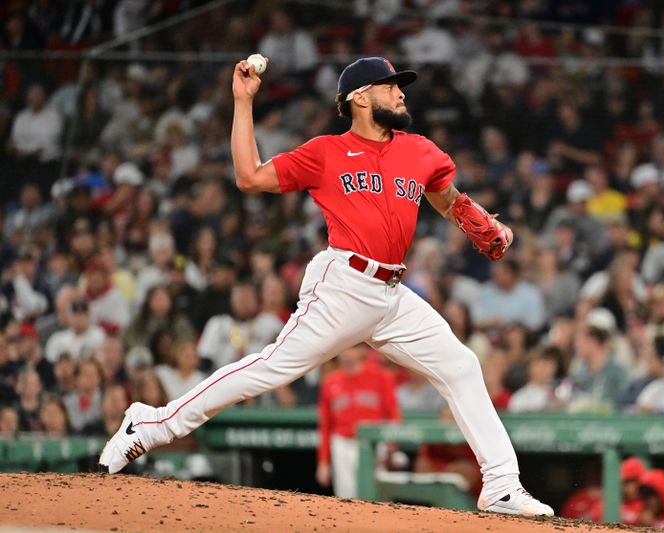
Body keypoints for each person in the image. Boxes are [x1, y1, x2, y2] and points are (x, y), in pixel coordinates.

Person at [100, 56, 554, 517]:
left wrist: (481, 222)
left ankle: (500, 484)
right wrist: (243, 103)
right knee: (271, 369)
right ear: (359, 97)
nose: (400, 93)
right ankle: (152, 423)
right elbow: (249, 176)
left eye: (400, 86)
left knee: (461, 365)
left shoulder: (420, 151)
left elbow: (446, 198)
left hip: (393, 294)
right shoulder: (325, 152)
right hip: (344, 284)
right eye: (389, 85)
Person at [316, 345, 399, 498]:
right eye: (344, 348)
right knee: (345, 497)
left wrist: (392, 446)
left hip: (373, 443)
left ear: (362, 351)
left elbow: (393, 414)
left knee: (376, 496)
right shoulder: (330, 382)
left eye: (352, 348)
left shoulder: (381, 377)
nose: (346, 353)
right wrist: (323, 462)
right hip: (343, 443)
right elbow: (325, 426)